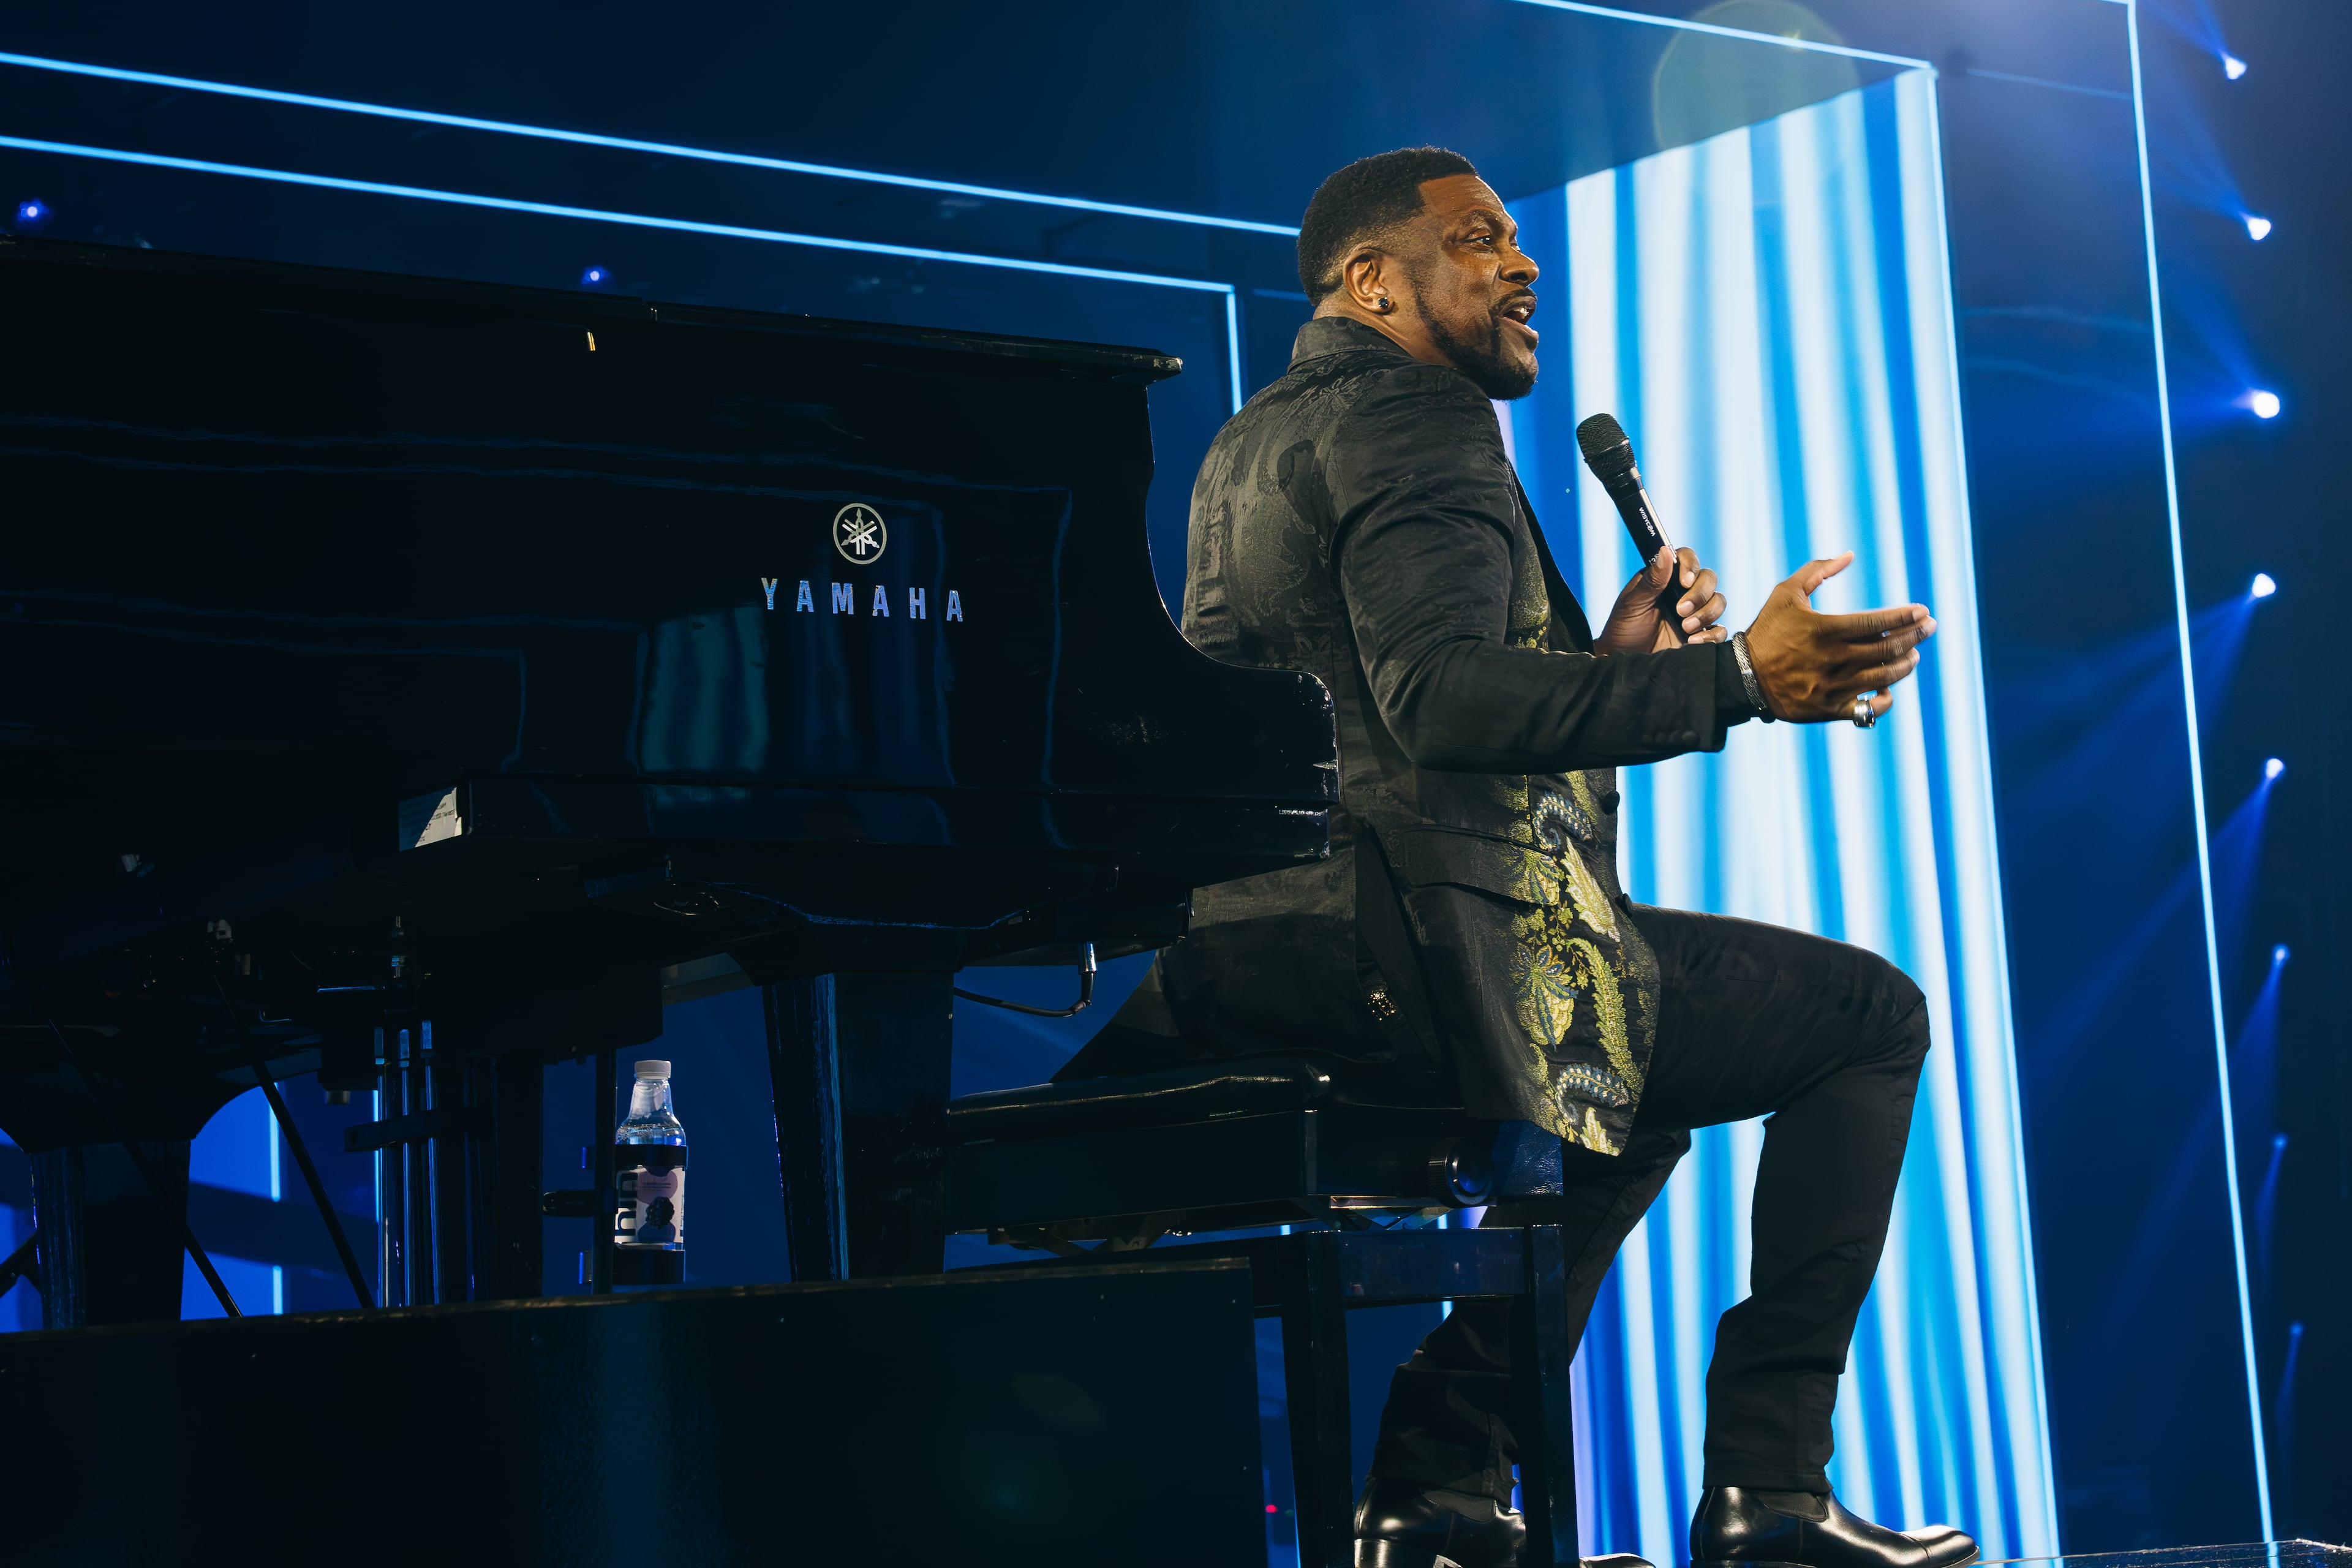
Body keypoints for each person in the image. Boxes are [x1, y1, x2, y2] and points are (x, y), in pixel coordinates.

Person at [1068, 147, 1977, 1568]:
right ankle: (1770, 1491)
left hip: (1262, 948)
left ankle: (1438, 1495)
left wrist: (1611, 660)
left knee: (1641, 1081)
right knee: (1867, 1014)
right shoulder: (1424, 421)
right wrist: (1737, 675)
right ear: (1374, 281)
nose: (1523, 262)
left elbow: (1366, 716)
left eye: (1517, 241)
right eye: (1480, 239)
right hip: (1415, 948)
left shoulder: (1250, 438)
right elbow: (1438, 700)